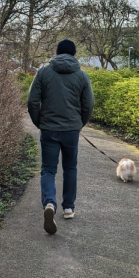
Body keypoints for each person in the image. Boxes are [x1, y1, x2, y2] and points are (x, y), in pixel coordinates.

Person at [27, 39, 94, 234]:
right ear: (74, 54)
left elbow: (32, 101)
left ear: (57, 53)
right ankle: (68, 208)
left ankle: (49, 203)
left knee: (48, 169)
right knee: (70, 167)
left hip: (49, 128)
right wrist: (80, 123)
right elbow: (88, 104)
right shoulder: (82, 76)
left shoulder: (44, 72)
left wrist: (39, 122)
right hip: (71, 130)